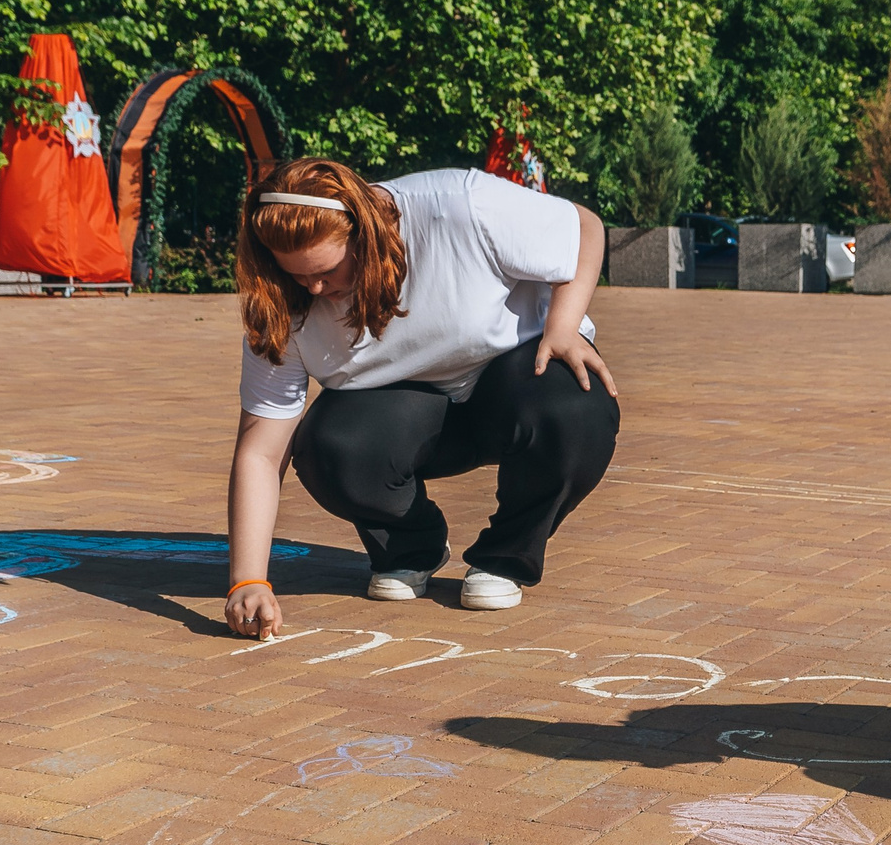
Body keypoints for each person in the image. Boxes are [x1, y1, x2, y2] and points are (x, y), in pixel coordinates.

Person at [222, 157, 619, 636]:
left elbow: (584, 227)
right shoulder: (281, 307)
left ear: (365, 233)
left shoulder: (457, 207)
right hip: (411, 414)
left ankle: (506, 556)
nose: (315, 287)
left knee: (575, 405)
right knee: (328, 445)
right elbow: (261, 453)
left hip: (516, 386)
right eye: (296, 275)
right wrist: (247, 579)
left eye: (326, 270)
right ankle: (413, 548)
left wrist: (564, 325)